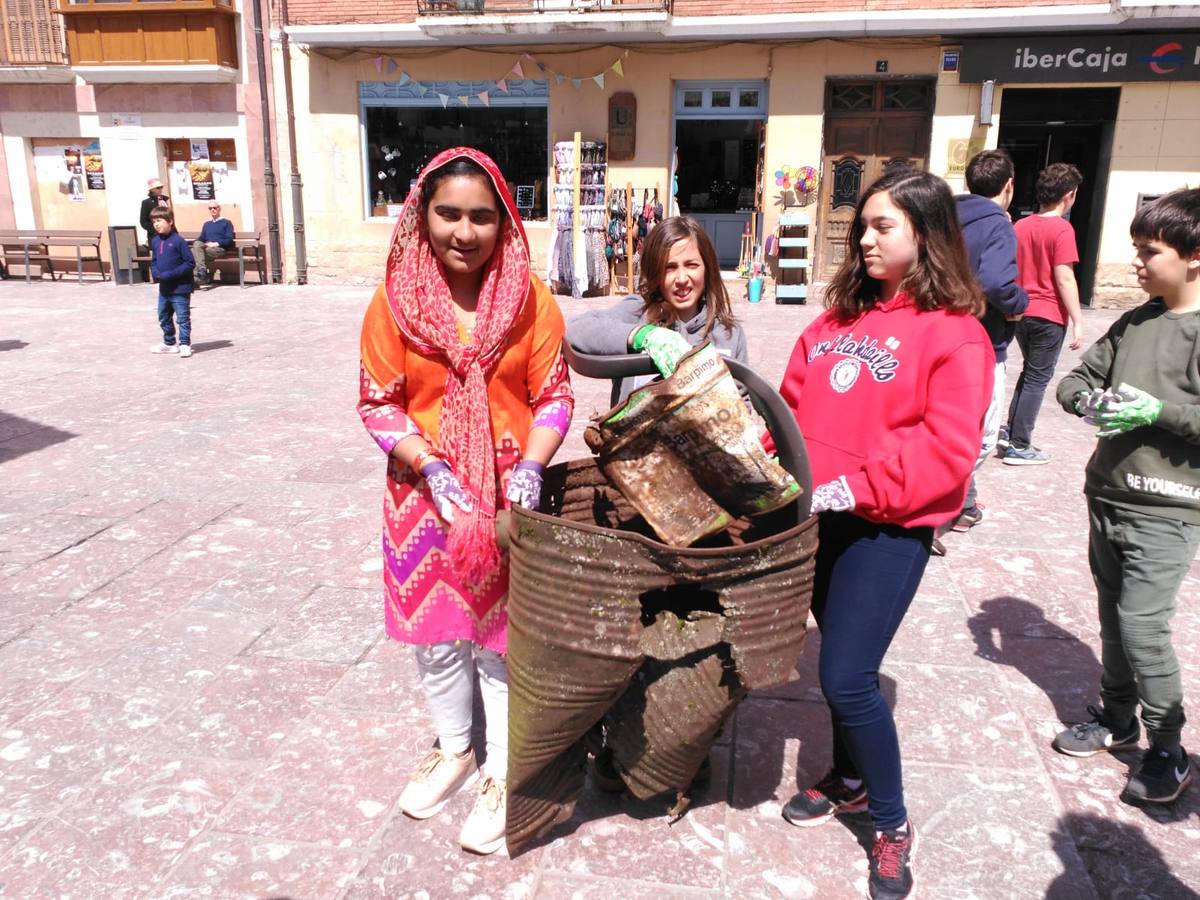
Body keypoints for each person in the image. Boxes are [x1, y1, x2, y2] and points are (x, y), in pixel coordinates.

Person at [774, 169, 993, 900]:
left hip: (888, 530)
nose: (864, 239)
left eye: (883, 227)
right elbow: (793, 406)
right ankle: (849, 778)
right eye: (863, 225)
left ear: (926, 236)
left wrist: (858, 487)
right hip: (821, 522)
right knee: (835, 656)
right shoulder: (836, 320)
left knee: (846, 676)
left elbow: (948, 452)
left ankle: (892, 825)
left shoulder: (957, 335)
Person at [356, 148, 574, 855]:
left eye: (483, 216)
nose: (464, 231)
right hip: (424, 499)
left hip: (508, 499)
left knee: (500, 645)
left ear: (505, 221)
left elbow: (555, 394)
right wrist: (431, 466)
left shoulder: (530, 298)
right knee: (438, 636)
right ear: (424, 216)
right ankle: (455, 747)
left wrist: (533, 468)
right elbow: (378, 403)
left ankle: (503, 773)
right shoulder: (395, 299)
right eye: (449, 213)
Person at [1051, 187, 1200, 804]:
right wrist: (1093, 402)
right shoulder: (1136, 320)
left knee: (1143, 625)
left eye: (1148, 251)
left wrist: (1158, 410)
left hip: (1169, 507)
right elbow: (1076, 379)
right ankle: (1116, 720)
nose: (1135, 263)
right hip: (1108, 495)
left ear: (1195, 256)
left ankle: (1168, 745)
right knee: (1113, 617)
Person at [938, 149, 1030, 553]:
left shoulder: (941, 218)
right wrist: (1018, 303)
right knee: (981, 437)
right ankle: (935, 516)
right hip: (981, 342)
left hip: (937, 336)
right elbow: (994, 281)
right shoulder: (997, 224)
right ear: (1009, 186)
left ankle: (960, 504)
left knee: (946, 424)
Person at [565, 215, 748, 404]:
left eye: (691, 265)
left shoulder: (729, 335)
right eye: (669, 268)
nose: (682, 278)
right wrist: (641, 335)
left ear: (707, 268)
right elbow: (575, 329)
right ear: (655, 272)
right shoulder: (637, 312)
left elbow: (743, 403)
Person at [1002, 162, 1085, 465]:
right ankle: (1020, 444)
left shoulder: (1020, 226)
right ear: (1069, 195)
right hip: (1048, 314)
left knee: (1029, 373)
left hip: (1020, 312)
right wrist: (1078, 320)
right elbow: (1064, 277)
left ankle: (1011, 430)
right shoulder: (1062, 229)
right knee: (1038, 378)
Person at [148, 208, 195, 358]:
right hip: (164, 288)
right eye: (154, 221)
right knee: (163, 316)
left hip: (180, 288)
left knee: (182, 317)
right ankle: (169, 343)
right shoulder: (155, 241)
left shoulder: (178, 241)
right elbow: (154, 260)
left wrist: (171, 274)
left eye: (160, 220)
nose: (156, 224)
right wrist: (155, 272)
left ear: (170, 221)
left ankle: (184, 344)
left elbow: (189, 263)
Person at [193, 202, 235, 288]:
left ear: (219, 209)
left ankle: (196, 279)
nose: (212, 210)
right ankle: (202, 271)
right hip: (206, 249)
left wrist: (215, 243)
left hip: (219, 249)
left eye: (215, 208)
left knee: (195, 253)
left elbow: (229, 239)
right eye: (210, 208)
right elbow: (201, 238)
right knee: (194, 249)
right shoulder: (207, 224)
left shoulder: (226, 223)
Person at [139, 177, 171, 248]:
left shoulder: (164, 201)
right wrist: (155, 229)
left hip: (169, 234)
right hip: (155, 235)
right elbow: (143, 221)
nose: (160, 189)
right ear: (152, 190)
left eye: (161, 187)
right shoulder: (147, 202)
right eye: (158, 188)